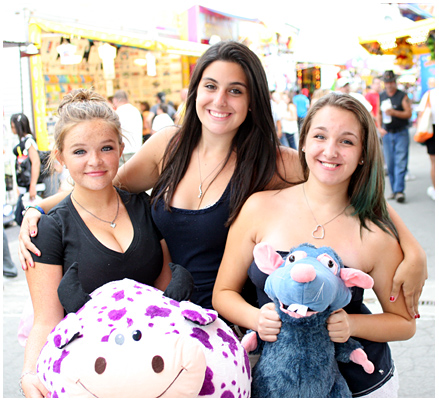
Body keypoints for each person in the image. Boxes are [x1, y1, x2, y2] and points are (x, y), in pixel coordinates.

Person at [19, 41, 426, 317]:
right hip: (159, 320)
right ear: (196, 91)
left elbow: (352, 181)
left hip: (230, 327)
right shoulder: (166, 147)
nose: (219, 100)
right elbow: (105, 183)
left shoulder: (271, 162)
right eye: (210, 86)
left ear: (251, 103)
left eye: (235, 91)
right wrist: (39, 207)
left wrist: (413, 248)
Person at [213, 93, 417, 397]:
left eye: (347, 141)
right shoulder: (259, 208)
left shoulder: (376, 234)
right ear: (304, 141)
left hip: (361, 386)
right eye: (320, 136)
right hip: (271, 382)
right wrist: (255, 318)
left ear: (362, 153)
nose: (330, 150)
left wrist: (351, 324)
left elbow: (403, 322)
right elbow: (223, 293)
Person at [20, 89, 172, 398]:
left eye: (106, 148)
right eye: (79, 152)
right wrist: (29, 374)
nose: (95, 161)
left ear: (121, 149)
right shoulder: (49, 229)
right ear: (59, 157)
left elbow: (167, 297)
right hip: (89, 378)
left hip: (155, 369)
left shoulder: (145, 206)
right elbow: (46, 320)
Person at [377, 70, 412, 203]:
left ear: (395, 82)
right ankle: (393, 190)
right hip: (387, 133)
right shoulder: (382, 96)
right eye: (387, 82)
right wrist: (380, 128)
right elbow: (379, 113)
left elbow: (408, 113)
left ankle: (399, 190)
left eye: (391, 82)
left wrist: (394, 113)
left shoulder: (402, 96)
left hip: (401, 132)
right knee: (390, 163)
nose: (389, 85)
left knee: (401, 161)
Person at [11, 113, 45, 202]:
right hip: (25, 188)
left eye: (13, 127)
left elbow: (36, 162)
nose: (12, 129)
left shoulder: (29, 141)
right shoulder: (23, 141)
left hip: (31, 188)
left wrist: (32, 186)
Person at [111, 90, 143, 165]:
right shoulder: (135, 110)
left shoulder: (118, 112)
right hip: (137, 150)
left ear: (115, 100)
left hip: (125, 152)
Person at [417, 86, 435, 201]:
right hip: (432, 130)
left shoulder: (429, 94)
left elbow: (420, 115)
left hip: (432, 130)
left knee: (434, 162)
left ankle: (435, 190)